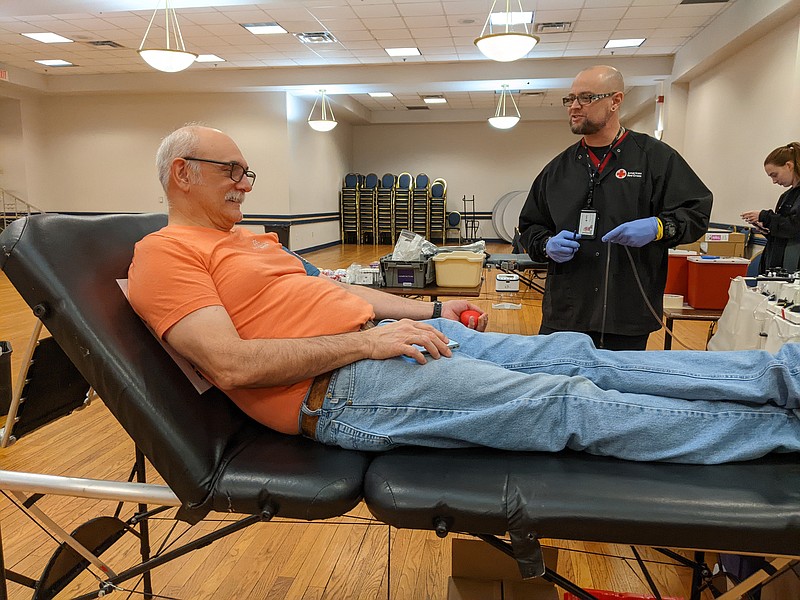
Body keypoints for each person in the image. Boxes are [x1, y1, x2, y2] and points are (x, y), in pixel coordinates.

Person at [128, 125, 800, 466]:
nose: (246, 182)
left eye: (249, 171)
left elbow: (330, 297)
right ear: (181, 174)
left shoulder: (255, 241)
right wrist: (370, 340)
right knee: (564, 402)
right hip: (338, 388)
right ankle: (781, 432)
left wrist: (432, 309)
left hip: (387, 343)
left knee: (577, 357)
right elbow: (233, 366)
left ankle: (784, 376)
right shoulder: (165, 253)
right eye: (232, 170)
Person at [518, 66, 712, 351]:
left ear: (615, 101)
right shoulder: (557, 170)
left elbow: (695, 213)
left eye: (585, 98)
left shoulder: (655, 159)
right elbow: (530, 226)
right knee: (557, 390)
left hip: (628, 313)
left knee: (616, 394)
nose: (574, 106)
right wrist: (546, 245)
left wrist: (658, 228)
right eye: (570, 99)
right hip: (566, 313)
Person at [741, 142, 800, 274]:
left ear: (789, 165)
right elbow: (784, 230)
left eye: (775, 175)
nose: (774, 181)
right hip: (776, 263)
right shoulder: (786, 196)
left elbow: (794, 227)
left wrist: (765, 216)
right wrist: (767, 229)